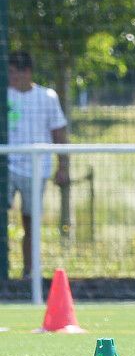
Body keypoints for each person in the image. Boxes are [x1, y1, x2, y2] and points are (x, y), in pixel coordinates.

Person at [5, 51, 70, 278]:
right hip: (7, 167)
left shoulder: (47, 97)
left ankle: (29, 274)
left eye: (13, 72)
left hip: (36, 169)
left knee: (30, 223)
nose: (10, 77)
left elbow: (59, 133)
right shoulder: (4, 96)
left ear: (27, 72)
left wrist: (63, 167)